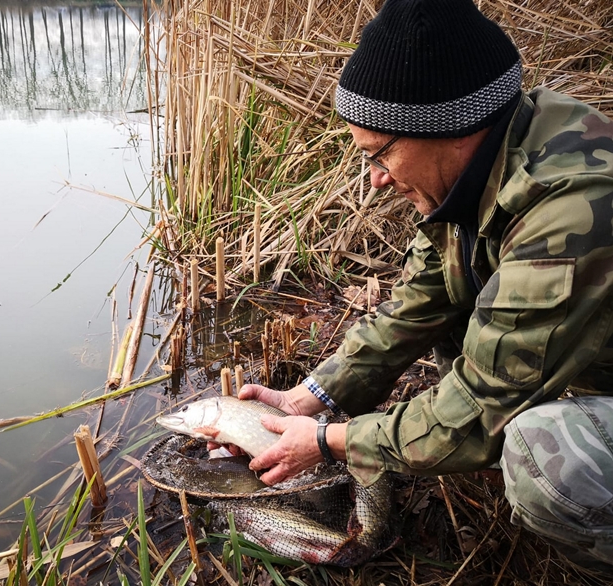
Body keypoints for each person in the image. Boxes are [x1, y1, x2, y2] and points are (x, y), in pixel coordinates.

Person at [234, 0, 613, 568]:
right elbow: (414, 308)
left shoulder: (570, 203)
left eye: (379, 153)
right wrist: (311, 398)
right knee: (454, 317)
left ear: (448, 127)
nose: (375, 179)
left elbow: (487, 402)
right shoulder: (482, 170)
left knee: (546, 457)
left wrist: (327, 442)